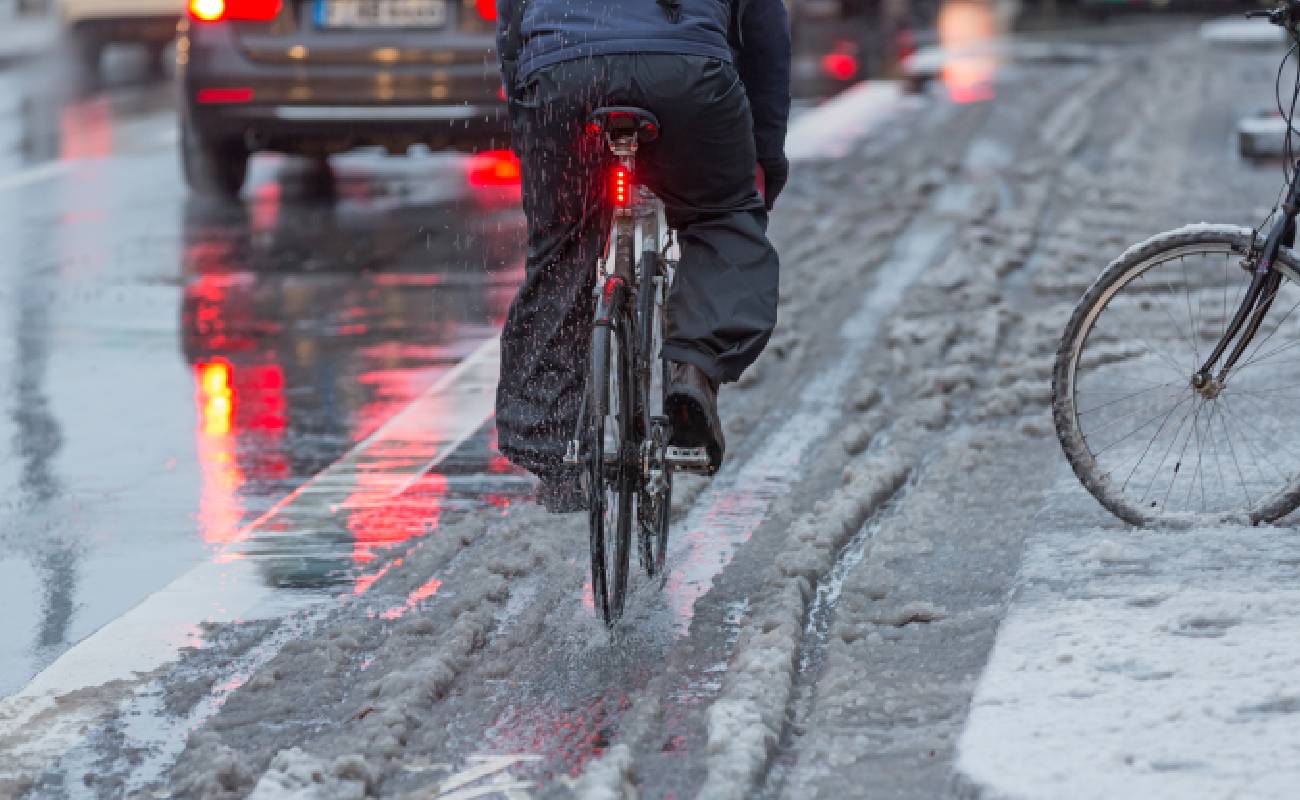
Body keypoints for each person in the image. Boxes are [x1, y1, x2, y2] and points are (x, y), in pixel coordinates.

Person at [494, 0, 791, 512]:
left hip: (563, 71)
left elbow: (511, 33)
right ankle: (693, 371)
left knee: (563, 247)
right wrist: (765, 156)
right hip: (687, 72)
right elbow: (765, 38)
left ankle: (552, 448)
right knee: (719, 219)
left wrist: (536, 137)